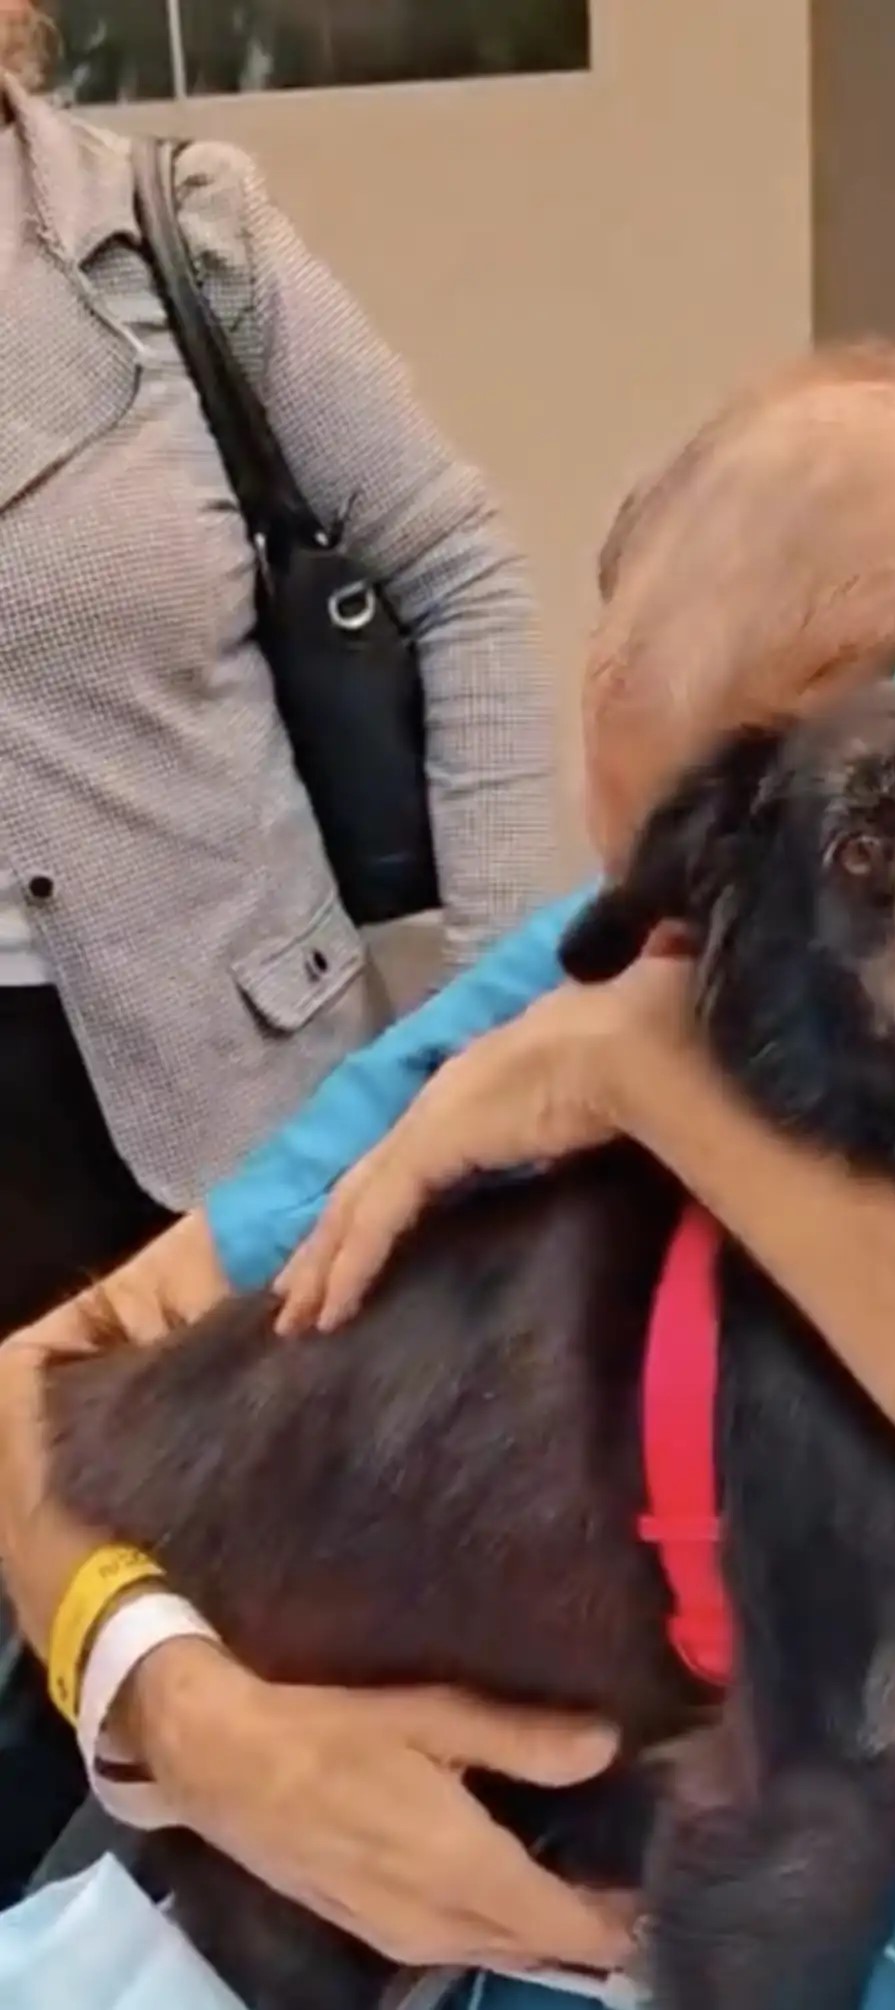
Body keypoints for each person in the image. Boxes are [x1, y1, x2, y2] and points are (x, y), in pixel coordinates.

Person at [0, 347, 895, 1984]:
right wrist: (189, 1721)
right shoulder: (640, 963)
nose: (686, 961)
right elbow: (41, 1388)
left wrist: (649, 1074)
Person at [0, 0, 559, 1900]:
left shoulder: (176, 232)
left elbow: (455, 568)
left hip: (220, 1090)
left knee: (258, 1683)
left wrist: (505, 1019)